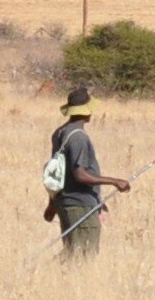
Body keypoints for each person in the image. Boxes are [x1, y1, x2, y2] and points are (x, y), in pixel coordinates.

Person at [46, 84, 126, 256]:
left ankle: (50, 278)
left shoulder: (60, 133)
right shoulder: (78, 138)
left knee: (71, 251)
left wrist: (52, 203)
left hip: (65, 201)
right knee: (83, 255)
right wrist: (115, 181)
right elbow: (80, 175)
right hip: (79, 203)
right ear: (86, 111)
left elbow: (57, 172)